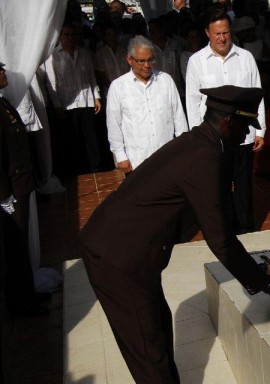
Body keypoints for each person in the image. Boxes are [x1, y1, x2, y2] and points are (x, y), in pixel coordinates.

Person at [80, 85, 270, 383]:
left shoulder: (198, 142)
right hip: (118, 256)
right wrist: (268, 286)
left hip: (128, 249)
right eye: (244, 126)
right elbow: (221, 239)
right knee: (150, 351)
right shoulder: (205, 157)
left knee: (158, 333)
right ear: (228, 121)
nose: (246, 134)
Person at [186, 8, 266, 234]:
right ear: (207, 33)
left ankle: (246, 229)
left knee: (243, 186)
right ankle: (223, 230)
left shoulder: (245, 57)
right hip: (213, 138)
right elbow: (192, 102)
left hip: (243, 135)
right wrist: (196, 136)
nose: (222, 38)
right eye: (217, 33)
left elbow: (256, 94)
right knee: (217, 186)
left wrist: (261, 131)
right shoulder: (196, 62)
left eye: (226, 33)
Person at [0, 62, 49, 317]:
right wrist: (4, 196)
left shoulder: (3, 102)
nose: (4, 74)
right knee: (16, 249)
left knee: (20, 248)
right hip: (11, 191)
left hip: (20, 184)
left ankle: (27, 294)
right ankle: (21, 302)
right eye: (0, 71)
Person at [106, 36, 188, 175]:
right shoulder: (118, 87)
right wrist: (120, 156)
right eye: (141, 61)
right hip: (136, 161)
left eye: (150, 60)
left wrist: (182, 149)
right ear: (129, 60)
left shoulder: (165, 80)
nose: (147, 65)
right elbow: (114, 124)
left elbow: (178, 117)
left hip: (167, 158)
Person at [45, 22, 102, 174]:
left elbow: (91, 76)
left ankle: (95, 167)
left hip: (86, 100)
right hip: (67, 103)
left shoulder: (84, 53)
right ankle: (76, 169)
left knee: (91, 137)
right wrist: (57, 105)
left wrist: (96, 96)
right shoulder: (53, 57)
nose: (70, 38)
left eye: (73, 34)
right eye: (66, 35)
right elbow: (51, 83)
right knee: (72, 139)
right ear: (60, 37)